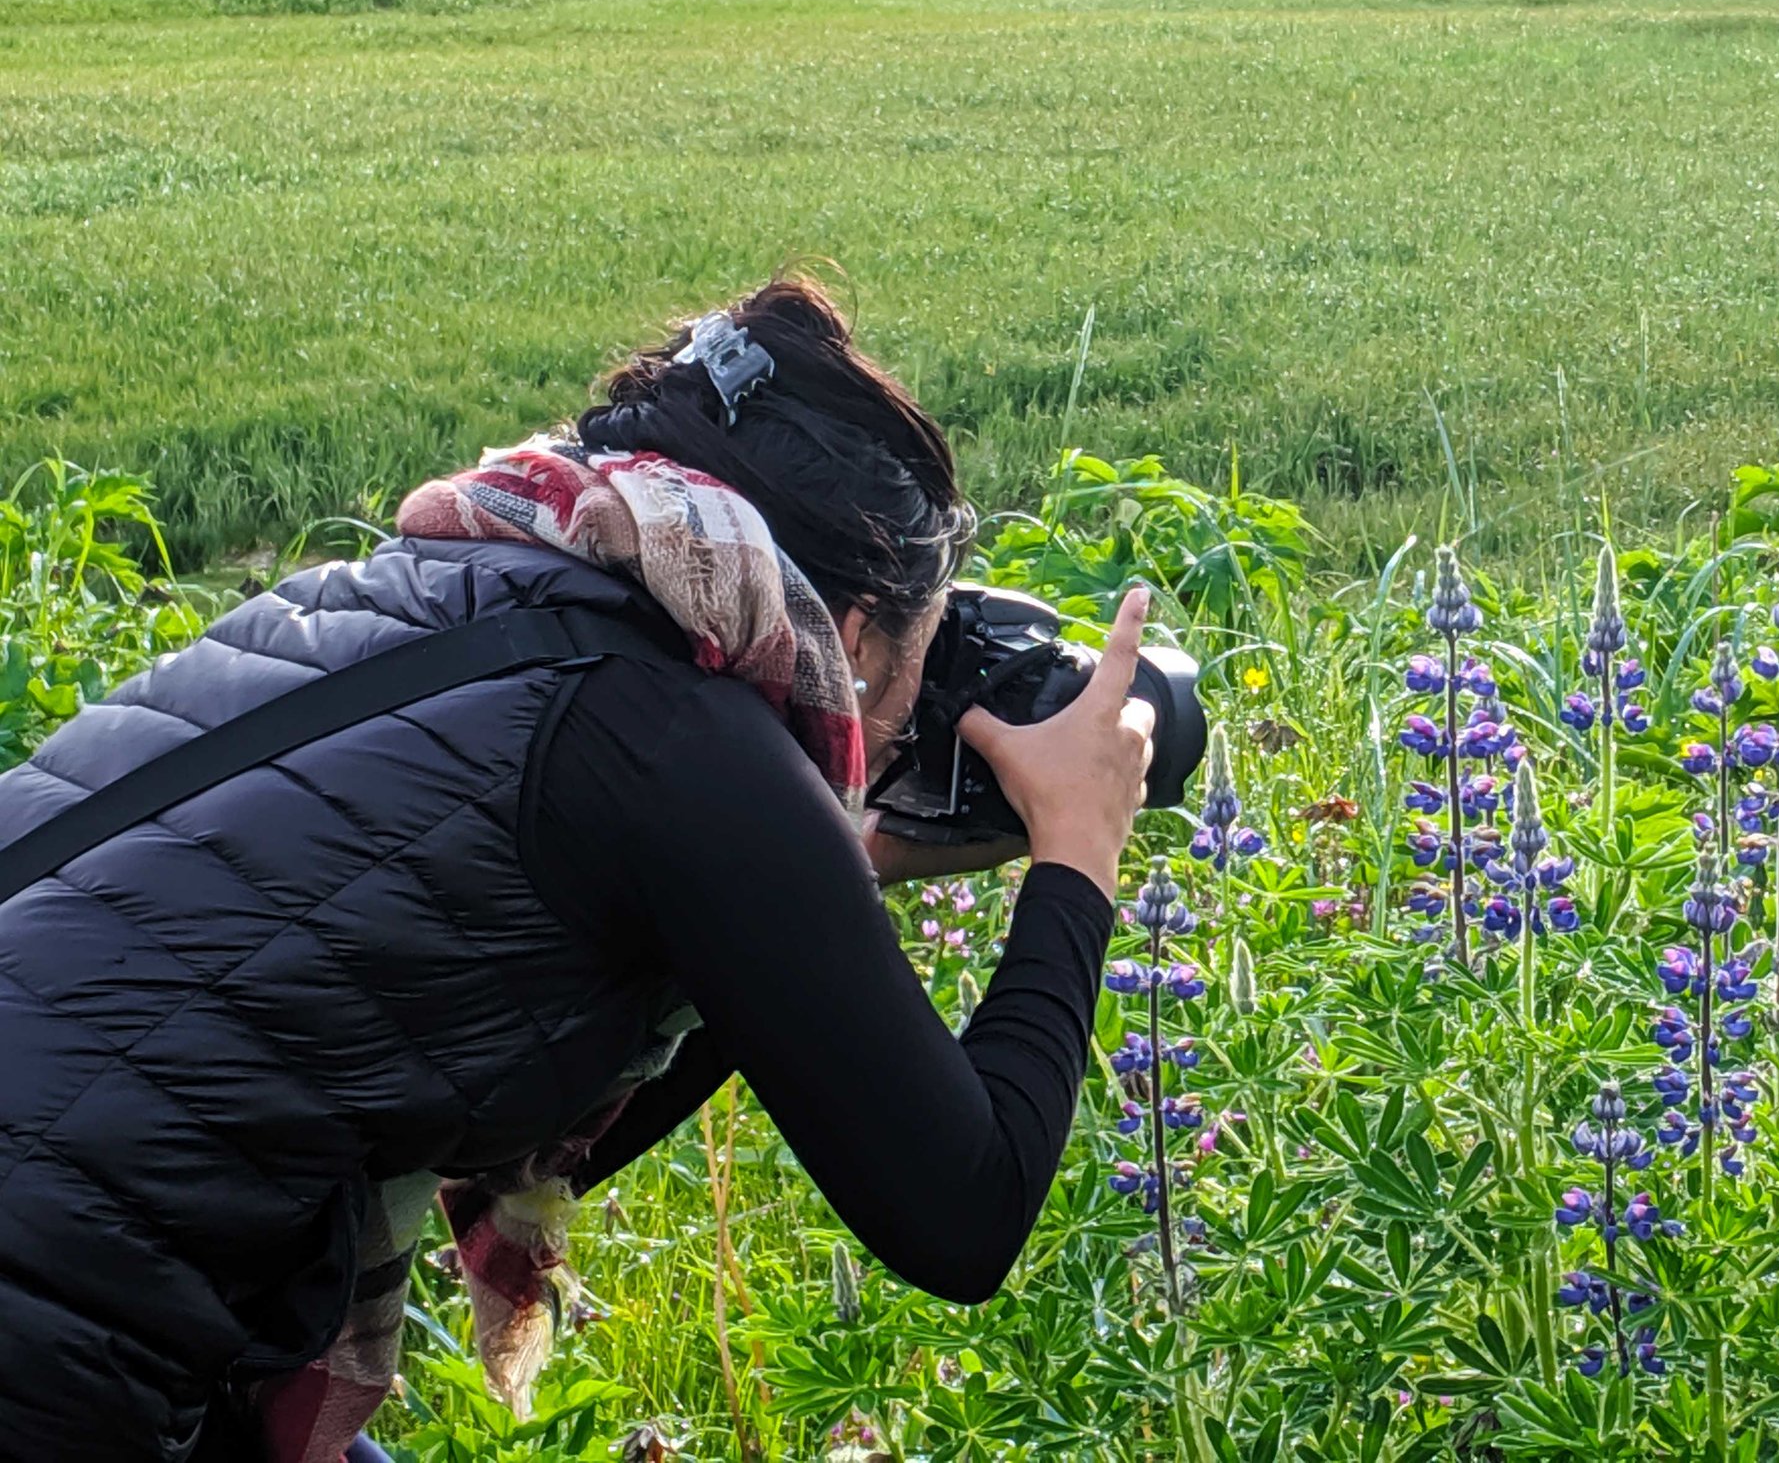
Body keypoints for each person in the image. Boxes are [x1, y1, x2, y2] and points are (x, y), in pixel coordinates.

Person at [0, 278, 1159, 1463]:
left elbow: (512, 1085)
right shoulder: (681, 731)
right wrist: (1077, 846)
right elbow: (964, 1214)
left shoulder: (458, 583)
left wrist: (835, 863)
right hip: (53, 1329)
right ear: (854, 640)